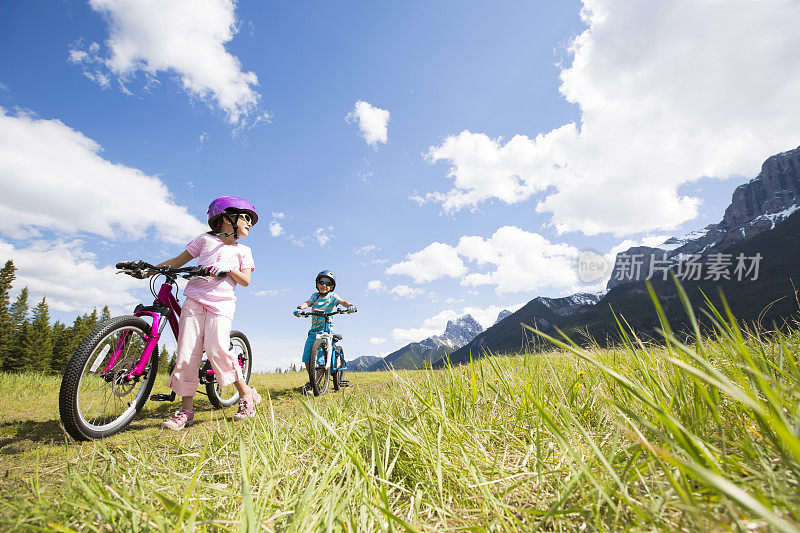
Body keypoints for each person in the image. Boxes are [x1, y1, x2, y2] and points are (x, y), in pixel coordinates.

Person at [157, 196, 261, 430]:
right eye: (246, 218)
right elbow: (178, 260)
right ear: (226, 218)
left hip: (221, 304)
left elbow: (245, 280)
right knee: (187, 353)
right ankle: (186, 410)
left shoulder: (244, 250)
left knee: (218, 348)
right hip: (194, 301)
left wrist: (230, 269)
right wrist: (149, 269)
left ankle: (246, 395)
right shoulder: (203, 240)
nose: (250, 223)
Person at [294, 270, 356, 383]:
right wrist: (300, 308)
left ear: (332, 286)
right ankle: (313, 380)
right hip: (313, 331)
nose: (324, 285)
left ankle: (316, 384)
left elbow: (342, 302)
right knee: (307, 357)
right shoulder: (315, 296)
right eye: (321, 282)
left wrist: (350, 306)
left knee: (322, 357)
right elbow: (307, 303)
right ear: (317, 284)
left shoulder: (332, 296)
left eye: (327, 284)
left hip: (325, 330)